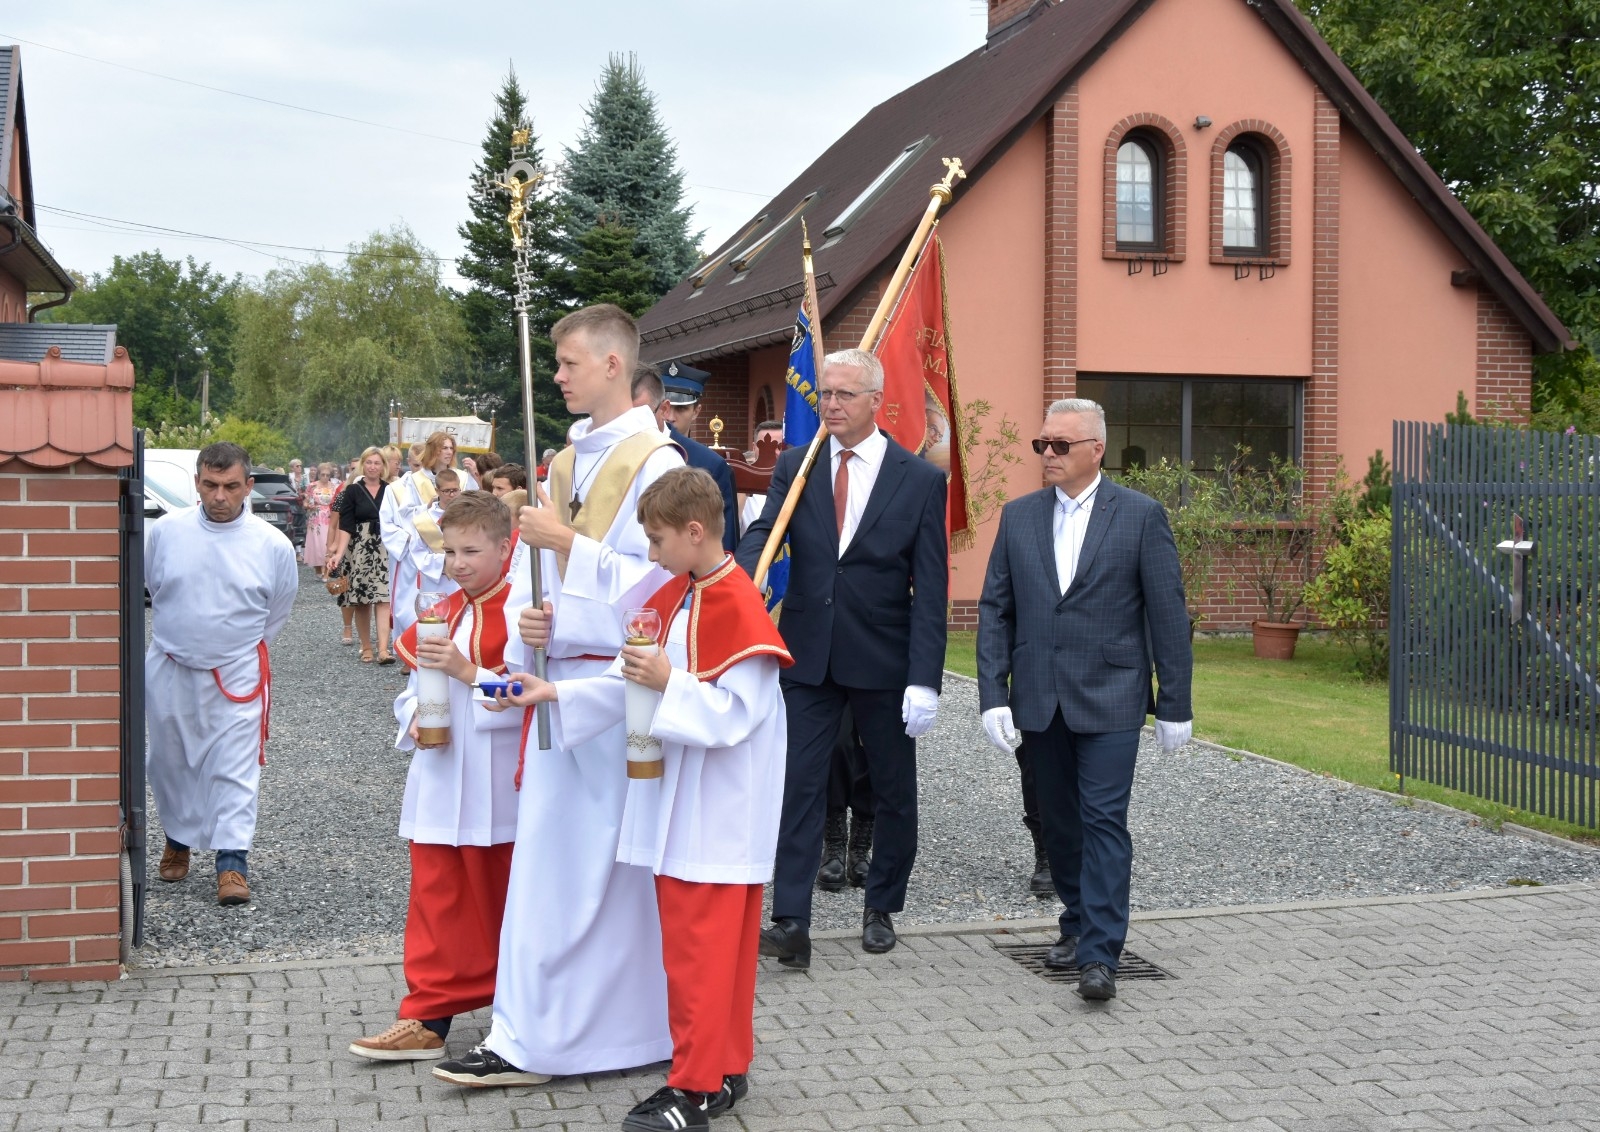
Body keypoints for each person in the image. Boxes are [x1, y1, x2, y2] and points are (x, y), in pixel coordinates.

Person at [431, 302, 684, 1087]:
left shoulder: (656, 463)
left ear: (613, 364)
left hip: (613, 691)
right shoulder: (567, 461)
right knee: (553, 869)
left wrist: (569, 550)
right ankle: (537, 1031)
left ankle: (602, 1034)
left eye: (571, 363)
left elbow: (666, 585)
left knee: (606, 871)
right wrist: (531, 621)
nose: (560, 376)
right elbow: (539, 574)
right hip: (555, 678)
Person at [495, 468, 788, 1130]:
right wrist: (556, 693)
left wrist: (668, 681)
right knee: (708, 953)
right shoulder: (682, 594)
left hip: (716, 812)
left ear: (694, 532)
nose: (650, 555)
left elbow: (737, 715)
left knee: (701, 954)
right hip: (685, 806)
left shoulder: (737, 605)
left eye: (657, 540)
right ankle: (723, 1070)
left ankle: (692, 1089)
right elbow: (629, 681)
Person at [735, 348, 948, 966]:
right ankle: (791, 921)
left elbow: (931, 586)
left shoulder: (918, 479)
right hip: (808, 653)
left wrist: (925, 678)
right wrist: (741, 574)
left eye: (844, 395)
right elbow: (766, 530)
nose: (829, 404)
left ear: (875, 401)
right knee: (799, 785)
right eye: (825, 393)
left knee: (891, 787)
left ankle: (881, 905)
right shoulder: (797, 465)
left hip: (884, 657)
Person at [976, 397, 1194, 1001]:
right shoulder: (1019, 516)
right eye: (1042, 444)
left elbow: (1167, 613)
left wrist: (1175, 702)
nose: (1047, 454)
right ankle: (1076, 921)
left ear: (1096, 450)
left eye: (1060, 445)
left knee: (1103, 821)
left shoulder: (1141, 516)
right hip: (1040, 698)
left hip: (1112, 696)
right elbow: (996, 609)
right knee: (1060, 823)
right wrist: (993, 694)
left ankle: (1100, 953)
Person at [349, 491, 525, 1062]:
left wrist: (469, 672)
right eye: (450, 552)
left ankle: (517, 1014)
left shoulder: (524, 614)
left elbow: (533, 696)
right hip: (440, 776)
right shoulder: (440, 610)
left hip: (497, 783)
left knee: (501, 899)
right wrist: (415, 720)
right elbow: (409, 691)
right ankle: (426, 1016)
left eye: (471, 551)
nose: (458, 564)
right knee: (435, 896)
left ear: (505, 548)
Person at [145, 443, 298, 906]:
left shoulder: (271, 544)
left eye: (231, 486)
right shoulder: (165, 531)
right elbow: (153, 586)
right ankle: (177, 839)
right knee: (170, 761)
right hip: (171, 666)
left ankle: (232, 863)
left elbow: (278, 608)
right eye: (210, 485)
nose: (219, 496)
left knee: (235, 766)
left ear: (248, 486)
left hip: (237, 674)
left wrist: (229, 647)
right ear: (196, 482)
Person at [651, 362, 739, 554]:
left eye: (681, 408)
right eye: (665, 407)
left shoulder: (711, 465)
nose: (670, 416)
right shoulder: (632, 449)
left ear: (696, 411)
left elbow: (725, 543)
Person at [328, 446, 394, 664]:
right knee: (363, 600)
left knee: (384, 598)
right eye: (369, 462)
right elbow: (346, 525)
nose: (373, 467)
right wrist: (338, 554)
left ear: (383, 466)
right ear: (362, 465)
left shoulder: (391, 490)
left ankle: (383, 649)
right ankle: (366, 646)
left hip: (385, 547)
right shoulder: (352, 491)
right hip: (360, 549)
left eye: (377, 463)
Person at [301, 464, 337, 581]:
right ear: (319, 474)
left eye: (327, 475)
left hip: (329, 517)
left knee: (327, 544)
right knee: (316, 544)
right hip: (315, 518)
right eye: (323, 474)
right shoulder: (312, 486)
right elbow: (305, 503)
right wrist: (308, 506)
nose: (325, 477)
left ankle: (327, 572)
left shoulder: (334, 487)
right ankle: (317, 569)